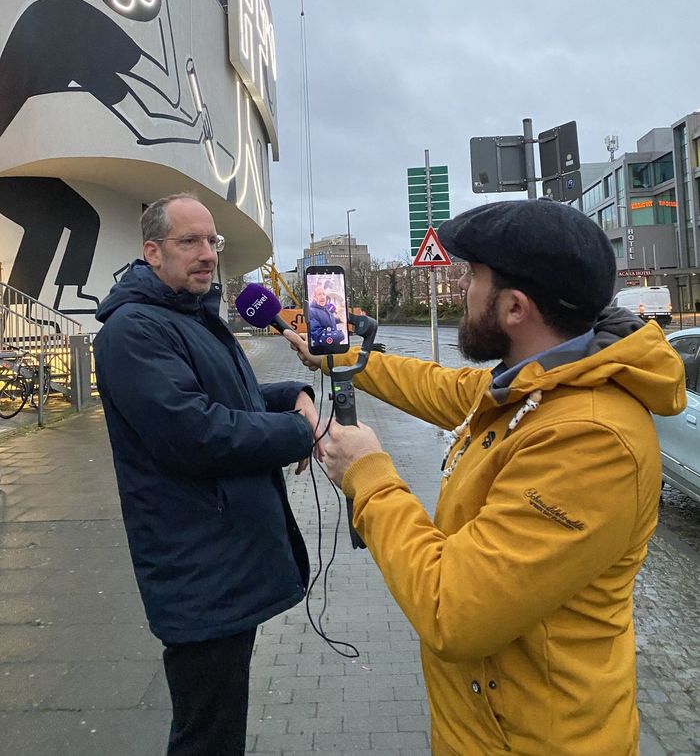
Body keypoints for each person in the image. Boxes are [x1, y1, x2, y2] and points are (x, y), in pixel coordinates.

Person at [286, 198, 686, 756]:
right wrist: (343, 357)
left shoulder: (591, 440)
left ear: (515, 308)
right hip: (485, 729)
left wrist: (368, 475)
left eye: (473, 276)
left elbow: (454, 610)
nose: (463, 286)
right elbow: (444, 390)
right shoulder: (542, 385)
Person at [93, 193, 319, 756]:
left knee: (219, 726)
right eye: (188, 242)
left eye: (211, 241)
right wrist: (298, 434)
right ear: (152, 252)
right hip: (198, 568)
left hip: (223, 562)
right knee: (207, 737)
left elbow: (231, 396)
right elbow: (194, 432)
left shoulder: (188, 315)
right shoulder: (133, 332)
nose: (207, 255)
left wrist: (293, 394)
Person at [307, 282, 345, 348]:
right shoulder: (311, 312)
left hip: (334, 347)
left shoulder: (327, 308)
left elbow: (326, 320)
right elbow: (317, 335)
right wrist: (339, 335)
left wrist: (339, 320)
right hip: (323, 350)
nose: (322, 297)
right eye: (319, 294)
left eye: (324, 294)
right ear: (314, 297)